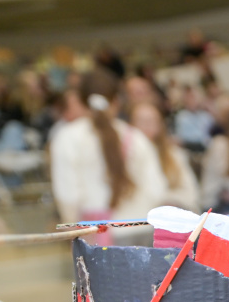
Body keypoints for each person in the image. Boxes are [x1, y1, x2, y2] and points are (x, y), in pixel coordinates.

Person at [50, 70, 165, 243]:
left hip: (98, 235)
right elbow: (156, 188)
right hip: (142, 230)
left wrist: (73, 224)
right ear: (116, 101)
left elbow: (68, 195)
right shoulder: (136, 137)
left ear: (81, 100)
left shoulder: (68, 137)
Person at [130, 102, 200, 212]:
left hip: (168, 213)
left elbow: (191, 192)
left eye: (151, 121)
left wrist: (169, 201)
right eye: (141, 121)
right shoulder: (126, 156)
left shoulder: (174, 155)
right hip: (138, 215)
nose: (147, 125)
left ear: (160, 125)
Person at [174, 86, 214, 153]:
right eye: (189, 97)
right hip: (186, 148)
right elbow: (180, 138)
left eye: (194, 97)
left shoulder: (206, 116)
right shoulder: (181, 116)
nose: (192, 100)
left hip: (205, 148)